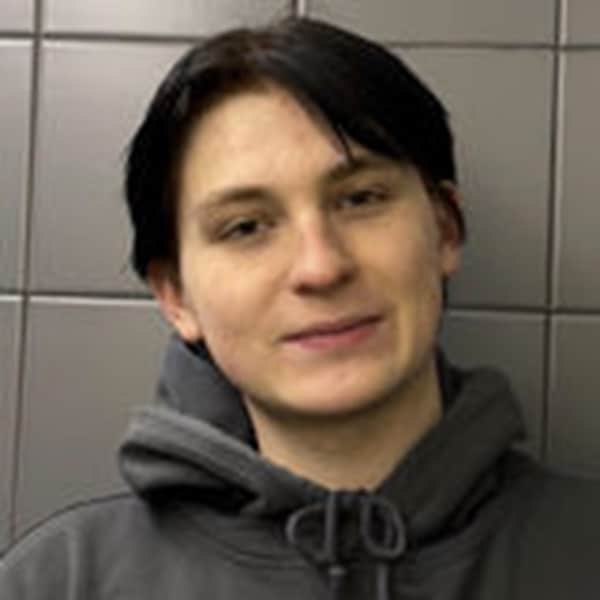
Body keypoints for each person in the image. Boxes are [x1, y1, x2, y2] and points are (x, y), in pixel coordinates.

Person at [1, 16, 600, 600]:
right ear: (176, 297)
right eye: (245, 227)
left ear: (445, 231)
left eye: (360, 199)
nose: (320, 267)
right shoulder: (59, 582)